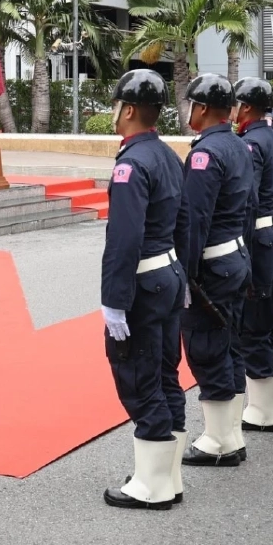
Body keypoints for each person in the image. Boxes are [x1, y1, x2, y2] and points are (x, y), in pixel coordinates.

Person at [100, 69, 190, 511]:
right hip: (169, 274)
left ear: (130, 110)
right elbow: (185, 223)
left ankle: (152, 486)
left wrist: (114, 301)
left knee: (138, 376)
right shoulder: (168, 155)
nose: (114, 114)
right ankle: (168, 476)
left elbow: (124, 240)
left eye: (117, 106)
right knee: (166, 373)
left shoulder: (131, 164)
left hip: (144, 282)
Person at [177, 73, 254, 467]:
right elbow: (250, 207)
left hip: (212, 264)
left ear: (203, 108)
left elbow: (194, 221)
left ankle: (218, 440)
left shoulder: (205, 154)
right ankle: (231, 434)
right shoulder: (239, 144)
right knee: (229, 345)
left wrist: (185, 275)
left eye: (191, 104)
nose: (187, 111)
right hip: (235, 257)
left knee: (207, 347)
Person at [233, 77, 273, 432]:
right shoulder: (272, 137)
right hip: (271, 233)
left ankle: (262, 411)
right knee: (270, 318)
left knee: (254, 323)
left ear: (247, 106)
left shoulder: (252, 143)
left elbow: (247, 200)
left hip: (256, 236)